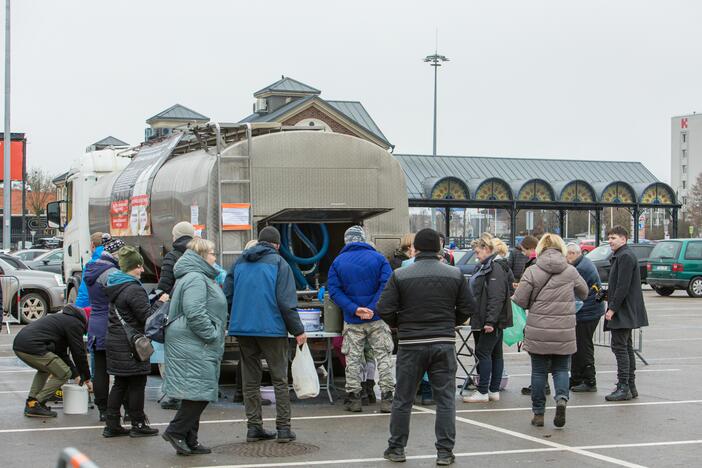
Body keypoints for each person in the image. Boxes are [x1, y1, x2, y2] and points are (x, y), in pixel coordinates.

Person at [378, 228, 474, 465]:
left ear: (415, 249)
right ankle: (444, 452)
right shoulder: (455, 274)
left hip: (411, 344)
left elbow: (385, 308)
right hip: (443, 342)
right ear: (439, 249)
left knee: (403, 398)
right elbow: (468, 307)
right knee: (445, 400)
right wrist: (451, 322)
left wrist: (402, 325)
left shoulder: (400, 275)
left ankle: (397, 448)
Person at [226, 226, 307, 444]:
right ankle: (283, 429)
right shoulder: (280, 264)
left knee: (250, 381)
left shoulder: (238, 263)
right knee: (279, 379)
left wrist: (237, 318)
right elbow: (285, 301)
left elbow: (228, 296)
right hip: (272, 329)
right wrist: (298, 330)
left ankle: (254, 428)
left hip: (243, 329)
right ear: (277, 245)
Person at [512, 233, 588, 429]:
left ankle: (538, 413)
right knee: (561, 369)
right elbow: (585, 292)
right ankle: (561, 399)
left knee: (538, 372)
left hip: (538, 329)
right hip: (564, 329)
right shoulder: (570, 270)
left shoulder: (532, 271)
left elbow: (519, 300)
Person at [161, 239, 228, 455]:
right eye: (212, 253)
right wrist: (211, 333)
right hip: (194, 341)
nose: (215, 258)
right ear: (201, 255)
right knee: (199, 393)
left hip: (192, 341)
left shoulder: (196, 276)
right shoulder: (196, 278)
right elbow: (194, 311)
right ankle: (176, 431)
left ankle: (190, 439)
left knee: (195, 392)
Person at [328, 225, 395, 413]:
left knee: (353, 359)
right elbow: (387, 286)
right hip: (377, 319)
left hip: (353, 320)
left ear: (346, 241)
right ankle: (388, 398)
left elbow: (334, 291)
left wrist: (355, 309)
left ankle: (354, 399)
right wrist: (373, 308)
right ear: (363, 238)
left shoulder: (338, 262)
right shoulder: (380, 259)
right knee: (383, 356)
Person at [102, 246, 167, 438]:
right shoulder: (133, 289)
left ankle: (111, 424)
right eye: (139, 266)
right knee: (137, 383)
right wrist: (161, 302)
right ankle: (138, 423)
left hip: (116, 340)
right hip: (131, 345)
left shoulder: (116, 285)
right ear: (132, 267)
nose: (142, 270)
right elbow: (147, 317)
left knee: (120, 383)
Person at [13, 304, 92, 417]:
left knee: (46, 369)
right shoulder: (75, 324)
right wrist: (87, 378)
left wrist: (77, 375)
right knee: (64, 373)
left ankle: (32, 400)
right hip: (32, 346)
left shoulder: (63, 319)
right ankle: (36, 404)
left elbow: (62, 354)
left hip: (21, 345)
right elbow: (78, 353)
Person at [463, 234, 513, 403]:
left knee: (483, 352)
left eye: (477, 252)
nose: (476, 255)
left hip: (489, 319)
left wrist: (490, 321)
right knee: (495, 354)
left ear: (486, 249)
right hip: (489, 318)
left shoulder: (494, 268)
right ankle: (492, 390)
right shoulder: (491, 266)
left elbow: (496, 296)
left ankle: (483, 390)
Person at [603, 225, 648, 401]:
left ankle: (624, 386)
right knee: (626, 347)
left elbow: (623, 286)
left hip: (624, 310)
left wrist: (612, 308)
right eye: (609, 237)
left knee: (620, 347)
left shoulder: (625, 256)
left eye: (613, 237)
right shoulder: (621, 256)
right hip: (625, 309)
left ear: (624, 239)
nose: (610, 241)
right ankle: (630, 385)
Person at [154, 221, 195, 410]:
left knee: (176, 355)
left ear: (176, 236)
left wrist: (156, 298)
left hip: (177, 311)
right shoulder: (199, 253)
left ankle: (176, 395)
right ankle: (194, 393)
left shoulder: (172, 256)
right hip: (196, 308)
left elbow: (164, 285)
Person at [84, 234, 125, 421]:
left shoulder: (91, 268)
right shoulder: (112, 274)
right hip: (111, 324)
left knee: (99, 370)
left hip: (95, 323)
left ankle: (102, 409)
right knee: (121, 371)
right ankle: (116, 410)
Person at [566, 242, 605, 392]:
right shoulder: (582, 263)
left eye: (566, 254)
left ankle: (589, 380)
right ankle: (576, 378)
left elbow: (574, 290)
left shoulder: (581, 268)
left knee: (584, 346)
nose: (565, 258)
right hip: (587, 310)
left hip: (588, 312)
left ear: (573, 254)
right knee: (577, 346)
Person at [74, 232, 104, 308]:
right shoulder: (115, 260)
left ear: (92, 245)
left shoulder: (91, 265)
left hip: (96, 310)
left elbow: (85, 293)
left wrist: (78, 310)